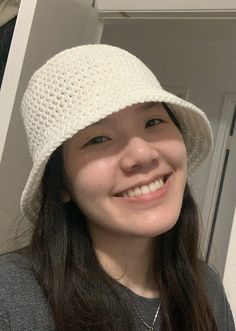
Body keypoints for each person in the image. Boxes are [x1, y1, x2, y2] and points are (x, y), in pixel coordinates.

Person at [0, 44, 235, 331]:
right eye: (98, 139)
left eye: (153, 121)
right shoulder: (12, 297)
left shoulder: (206, 289)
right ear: (62, 183)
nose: (142, 154)